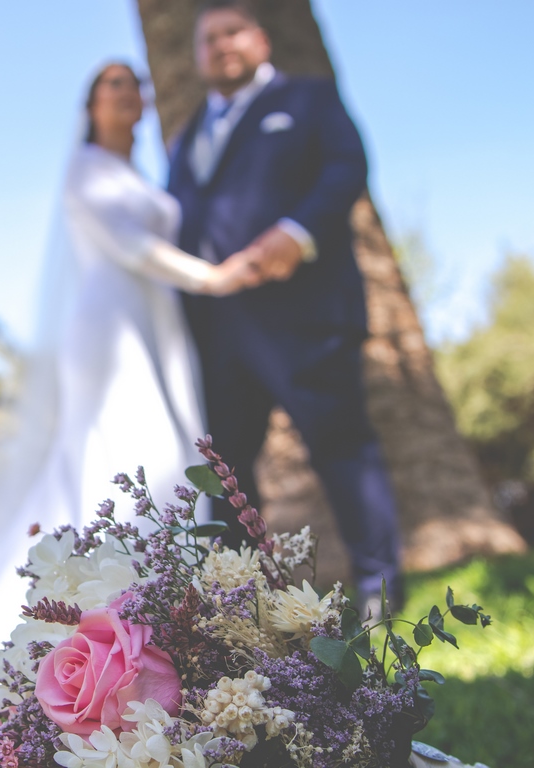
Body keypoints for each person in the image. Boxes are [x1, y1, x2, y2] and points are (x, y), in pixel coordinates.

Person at [0, 62, 253, 675]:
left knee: (168, 452)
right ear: (90, 107)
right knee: (126, 453)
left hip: (153, 322)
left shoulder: (134, 173)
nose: (126, 92)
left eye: (133, 84)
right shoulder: (85, 170)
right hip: (110, 330)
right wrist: (213, 278)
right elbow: (130, 245)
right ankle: (101, 606)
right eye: (111, 84)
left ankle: (169, 605)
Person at [166, 0, 404, 609]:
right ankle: (241, 609)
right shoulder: (189, 132)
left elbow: (346, 166)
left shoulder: (308, 99)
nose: (221, 45)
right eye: (208, 38)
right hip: (216, 329)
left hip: (304, 315)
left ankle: (379, 589)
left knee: (340, 445)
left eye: (232, 32)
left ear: (261, 40)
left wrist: (297, 234)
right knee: (226, 471)